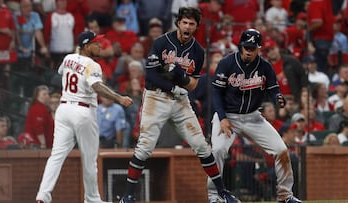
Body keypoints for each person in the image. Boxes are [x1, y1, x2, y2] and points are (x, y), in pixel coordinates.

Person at [118, 7, 240, 203]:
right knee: (144, 148)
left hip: (180, 101)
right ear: (178, 23)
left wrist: (181, 77)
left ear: (196, 27)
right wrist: (173, 86)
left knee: (202, 146)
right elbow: (150, 74)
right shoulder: (161, 42)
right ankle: (128, 196)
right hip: (155, 97)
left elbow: (193, 84)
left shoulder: (198, 51)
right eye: (185, 22)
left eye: (192, 24)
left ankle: (222, 193)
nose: (188, 26)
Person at [36, 30, 133, 203]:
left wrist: (77, 55)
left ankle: (43, 195)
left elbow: (60, 74)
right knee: (89, 160)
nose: (100, 46)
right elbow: (96, 86)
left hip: (64, 109)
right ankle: (92, 199)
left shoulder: (68, 58)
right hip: (83, 111)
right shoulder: (92, 65)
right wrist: (119, 98)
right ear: (86, 46)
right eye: (96, 43)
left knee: (56, 156)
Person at [208, 28, 302, 203]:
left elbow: (273, 87)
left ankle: (285, 196)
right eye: (246, 47)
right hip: (228, 115)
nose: (249, 51)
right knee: (217, 150)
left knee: (281, 150)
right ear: (240, 46)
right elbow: (216, 93)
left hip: (253, 117)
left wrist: (278, 97)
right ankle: (214, 197)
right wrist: (222, 118)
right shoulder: (227, 63)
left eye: (253, 48)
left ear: (259, 48)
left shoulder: (265, 66)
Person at [24, 85, 54, 149]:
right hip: (37, 145)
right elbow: (38, 128)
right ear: (37, 96)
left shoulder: (44, 108)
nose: (47, 96)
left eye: (47, 94)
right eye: (44, 94)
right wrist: (43, 144)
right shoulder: (37, 108)